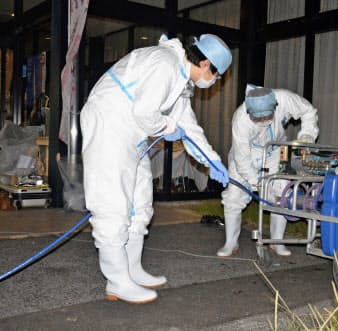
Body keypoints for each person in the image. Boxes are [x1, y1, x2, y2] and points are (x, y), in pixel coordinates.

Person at [81, 34, 232, 304]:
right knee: (112, 205)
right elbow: (145, 112)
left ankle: (132, 269)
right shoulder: (164, 64)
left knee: (140, 203)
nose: (214, 82)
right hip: (109, 126)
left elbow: (191, 130)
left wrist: (213, 160)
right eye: (217, 76)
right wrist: (168, 127)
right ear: (206, 63)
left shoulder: (181, 83)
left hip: (133, 136)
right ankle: (118, 281)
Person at [217, 85, 319, 257]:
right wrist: (256, 182)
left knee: (280, 195)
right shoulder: (240, 119)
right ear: (249, 112)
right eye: (258, 118)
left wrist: (307, 134)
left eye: (267, 116)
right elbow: (242, 158)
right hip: (246, 154)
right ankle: (230, 243)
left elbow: (309, 111)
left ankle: (276, 242)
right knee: (234, 197)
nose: (264, 120)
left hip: (273, 152)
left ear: (275, 106)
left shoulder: (284, 99)